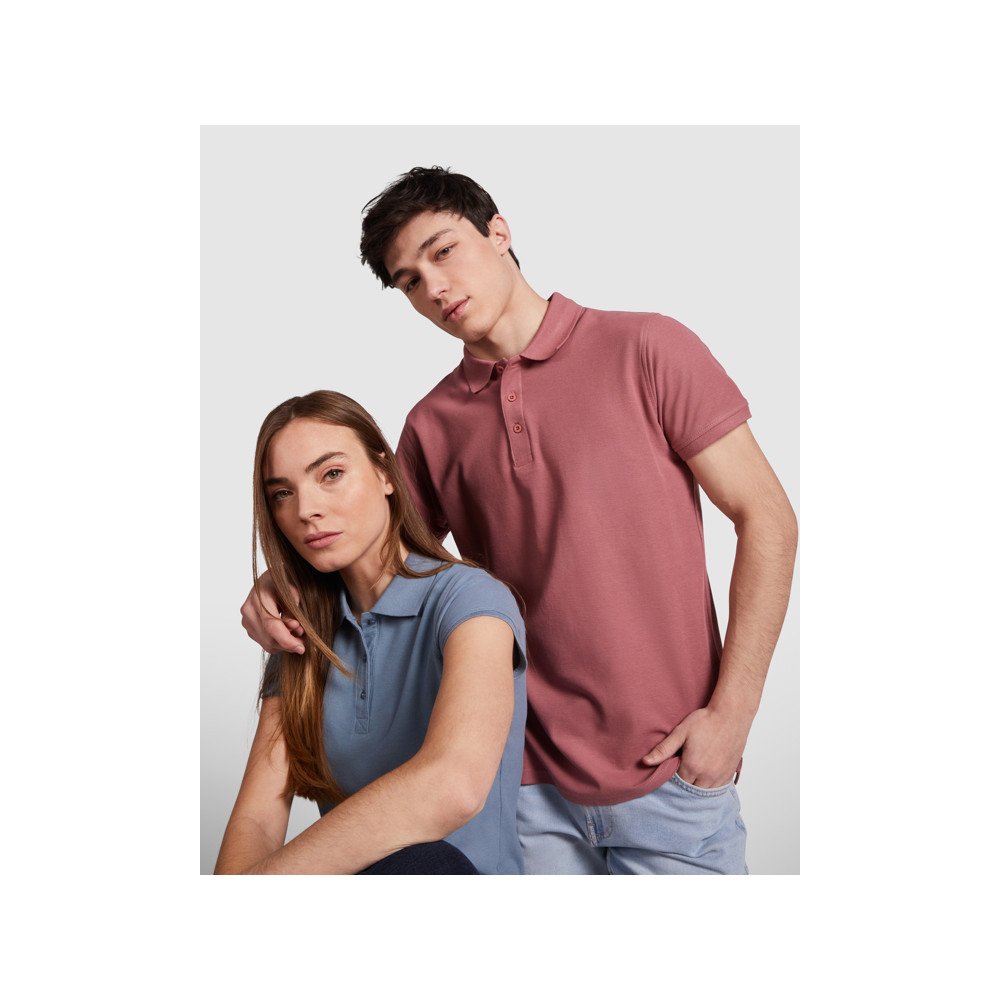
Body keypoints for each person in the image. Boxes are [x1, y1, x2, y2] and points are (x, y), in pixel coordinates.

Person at [241, 167, 798, 875]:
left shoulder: (647, 348)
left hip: (671, 772)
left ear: (499, 233)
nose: (434, 287)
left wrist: (732, 717)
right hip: (525, 792)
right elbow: (368, 552)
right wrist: (276, 584)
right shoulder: (432, 425)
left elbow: (768, 519)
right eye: (409, 280)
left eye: (443, 252)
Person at [216, 390, 528, 875]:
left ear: (385, 473)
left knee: (427, 861)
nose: (306, 509)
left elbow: (454, 785)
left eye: (331, 475)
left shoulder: (470, 600)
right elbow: (258, 817)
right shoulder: (301, 632)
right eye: (283, 494)